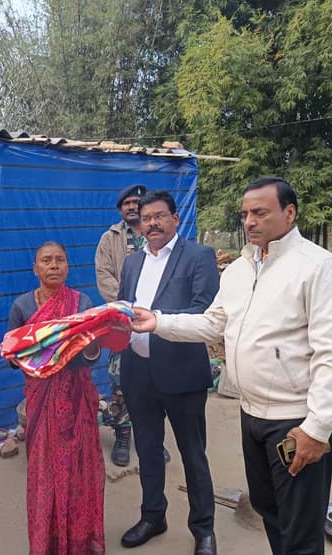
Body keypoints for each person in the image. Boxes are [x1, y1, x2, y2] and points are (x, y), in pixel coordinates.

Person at [131, 177, 332, 555]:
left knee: (300, 527)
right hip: (251, 414)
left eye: (260, 212)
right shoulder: (240, 269)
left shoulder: (318, 267)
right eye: (245, 214)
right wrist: (158, 321)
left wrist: (317, 428)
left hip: (294, 418)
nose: (250, 221)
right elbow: (212, 324)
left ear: (289, 213)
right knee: (270, 511)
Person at [117, 190, 219, 555]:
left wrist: (158, 321)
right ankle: (152, 516)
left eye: (160, 216)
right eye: (146, 218)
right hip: (138, 372)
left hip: (182, 373)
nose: (153, 224)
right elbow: (125, 309)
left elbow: (204, 312)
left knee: (193, 455)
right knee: (148, 451)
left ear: (175, 219)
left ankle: (203, 530)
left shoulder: (198, 256)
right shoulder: (133, 263)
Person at [8, 241, 105, 555]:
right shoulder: (22, 306)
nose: (53, 265)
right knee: (43, 471)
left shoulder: (81, 303)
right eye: (46, 260)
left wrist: (90, 341)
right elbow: (12, 358)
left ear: (68, 266)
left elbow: (91, 356)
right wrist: (34, 349)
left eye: (60, 260)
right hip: (41, 399)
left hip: (76, 398)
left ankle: (79, 541)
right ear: (35, 268)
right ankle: (47, 543)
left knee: (79, 470)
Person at [95, 183, 146, 466]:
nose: (131, 206)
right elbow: (103, 275)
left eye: (136, 202)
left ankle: (151, 435)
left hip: (154, 320)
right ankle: (123, 434)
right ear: (120, 209)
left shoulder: (155, 234)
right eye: (126, 203)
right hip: (121, 321)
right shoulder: (110, 238)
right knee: (120, 379)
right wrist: (127, 306)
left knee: (153, 379)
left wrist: (150, 306)